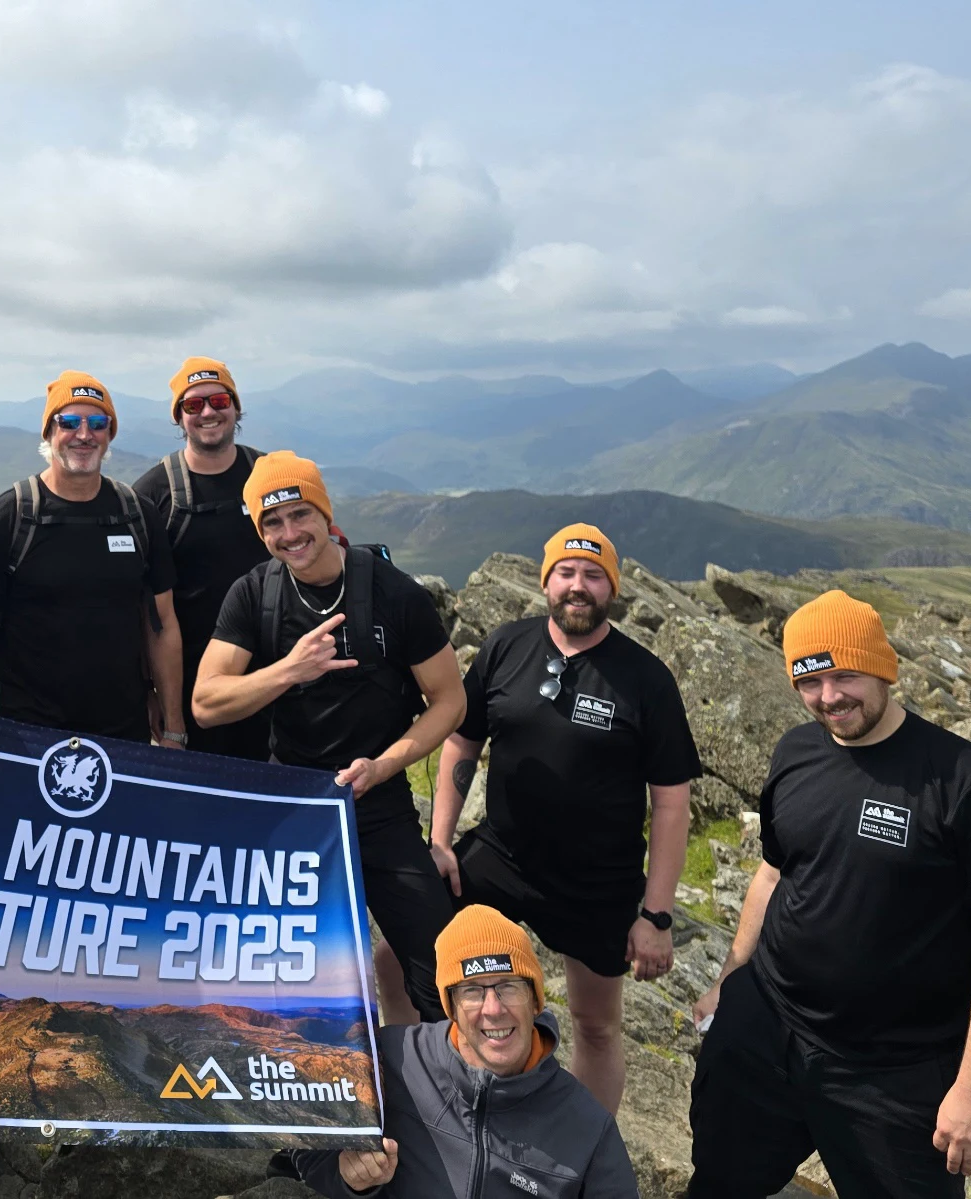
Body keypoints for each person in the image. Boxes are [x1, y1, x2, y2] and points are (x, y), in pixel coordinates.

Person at [686, 591, 971, 1199]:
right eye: (810, 680)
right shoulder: (795, 753)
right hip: (765, 1028)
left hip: (894, 1072)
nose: (829, 697)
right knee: (720, 1183)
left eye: (845, 675)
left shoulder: (963, 781)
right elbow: (773, 875)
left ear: (883, 667)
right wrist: (732, 975)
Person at [428, 522, 699, 1114]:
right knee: (408, 960)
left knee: (596, 1026)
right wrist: (441, 841)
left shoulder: (646, 678)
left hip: (597, 883)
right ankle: (433, 1105)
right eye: (566, 573)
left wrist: (655, 914)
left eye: (593, 575)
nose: (579, 586)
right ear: (546, 580)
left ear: (613, 589)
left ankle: (583, 1154)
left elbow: (672, 802)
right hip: (499, 857)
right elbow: (462, 743)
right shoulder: (507, 645)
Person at [193, 451, 465, 1021]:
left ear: (325, 512)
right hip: (295, 807)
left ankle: (437, 1089)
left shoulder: (395, 594)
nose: (290, 534)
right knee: (293, 984)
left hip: (379, 805)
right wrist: (290, 669)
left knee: (440, 967)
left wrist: (383, 767)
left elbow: (450, 700)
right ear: (258, 530)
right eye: (272, 523)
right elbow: (206, 703)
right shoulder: (255, 595)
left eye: (300, 515)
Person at [298, 905, 638, 1199]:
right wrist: (348, 1177)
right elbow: (303, 1152)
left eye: (508, 986)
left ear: (535, 1000)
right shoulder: (389, 1059)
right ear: (451, 1006)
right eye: (473, 991)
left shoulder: (588, 1126)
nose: (493, 1009)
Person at [0, 371, 188, 746]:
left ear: (110, 434)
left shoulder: (138, 516)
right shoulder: (8, 517)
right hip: (28, 733)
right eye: (69, 423)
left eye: (98, 423)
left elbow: (162, 625)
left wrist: (174, 727)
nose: (84, 435)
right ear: (49, 431)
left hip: (124, 732)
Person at [131, 356, 271, 760]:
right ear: (179, 418)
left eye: (219, 400)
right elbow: (139, 607)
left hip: (277, 677)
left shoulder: (268, 474)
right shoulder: (153, 493)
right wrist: (153, 694)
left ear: (236, 406)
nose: (208, 412)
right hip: (193, 686)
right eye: (193, 406)